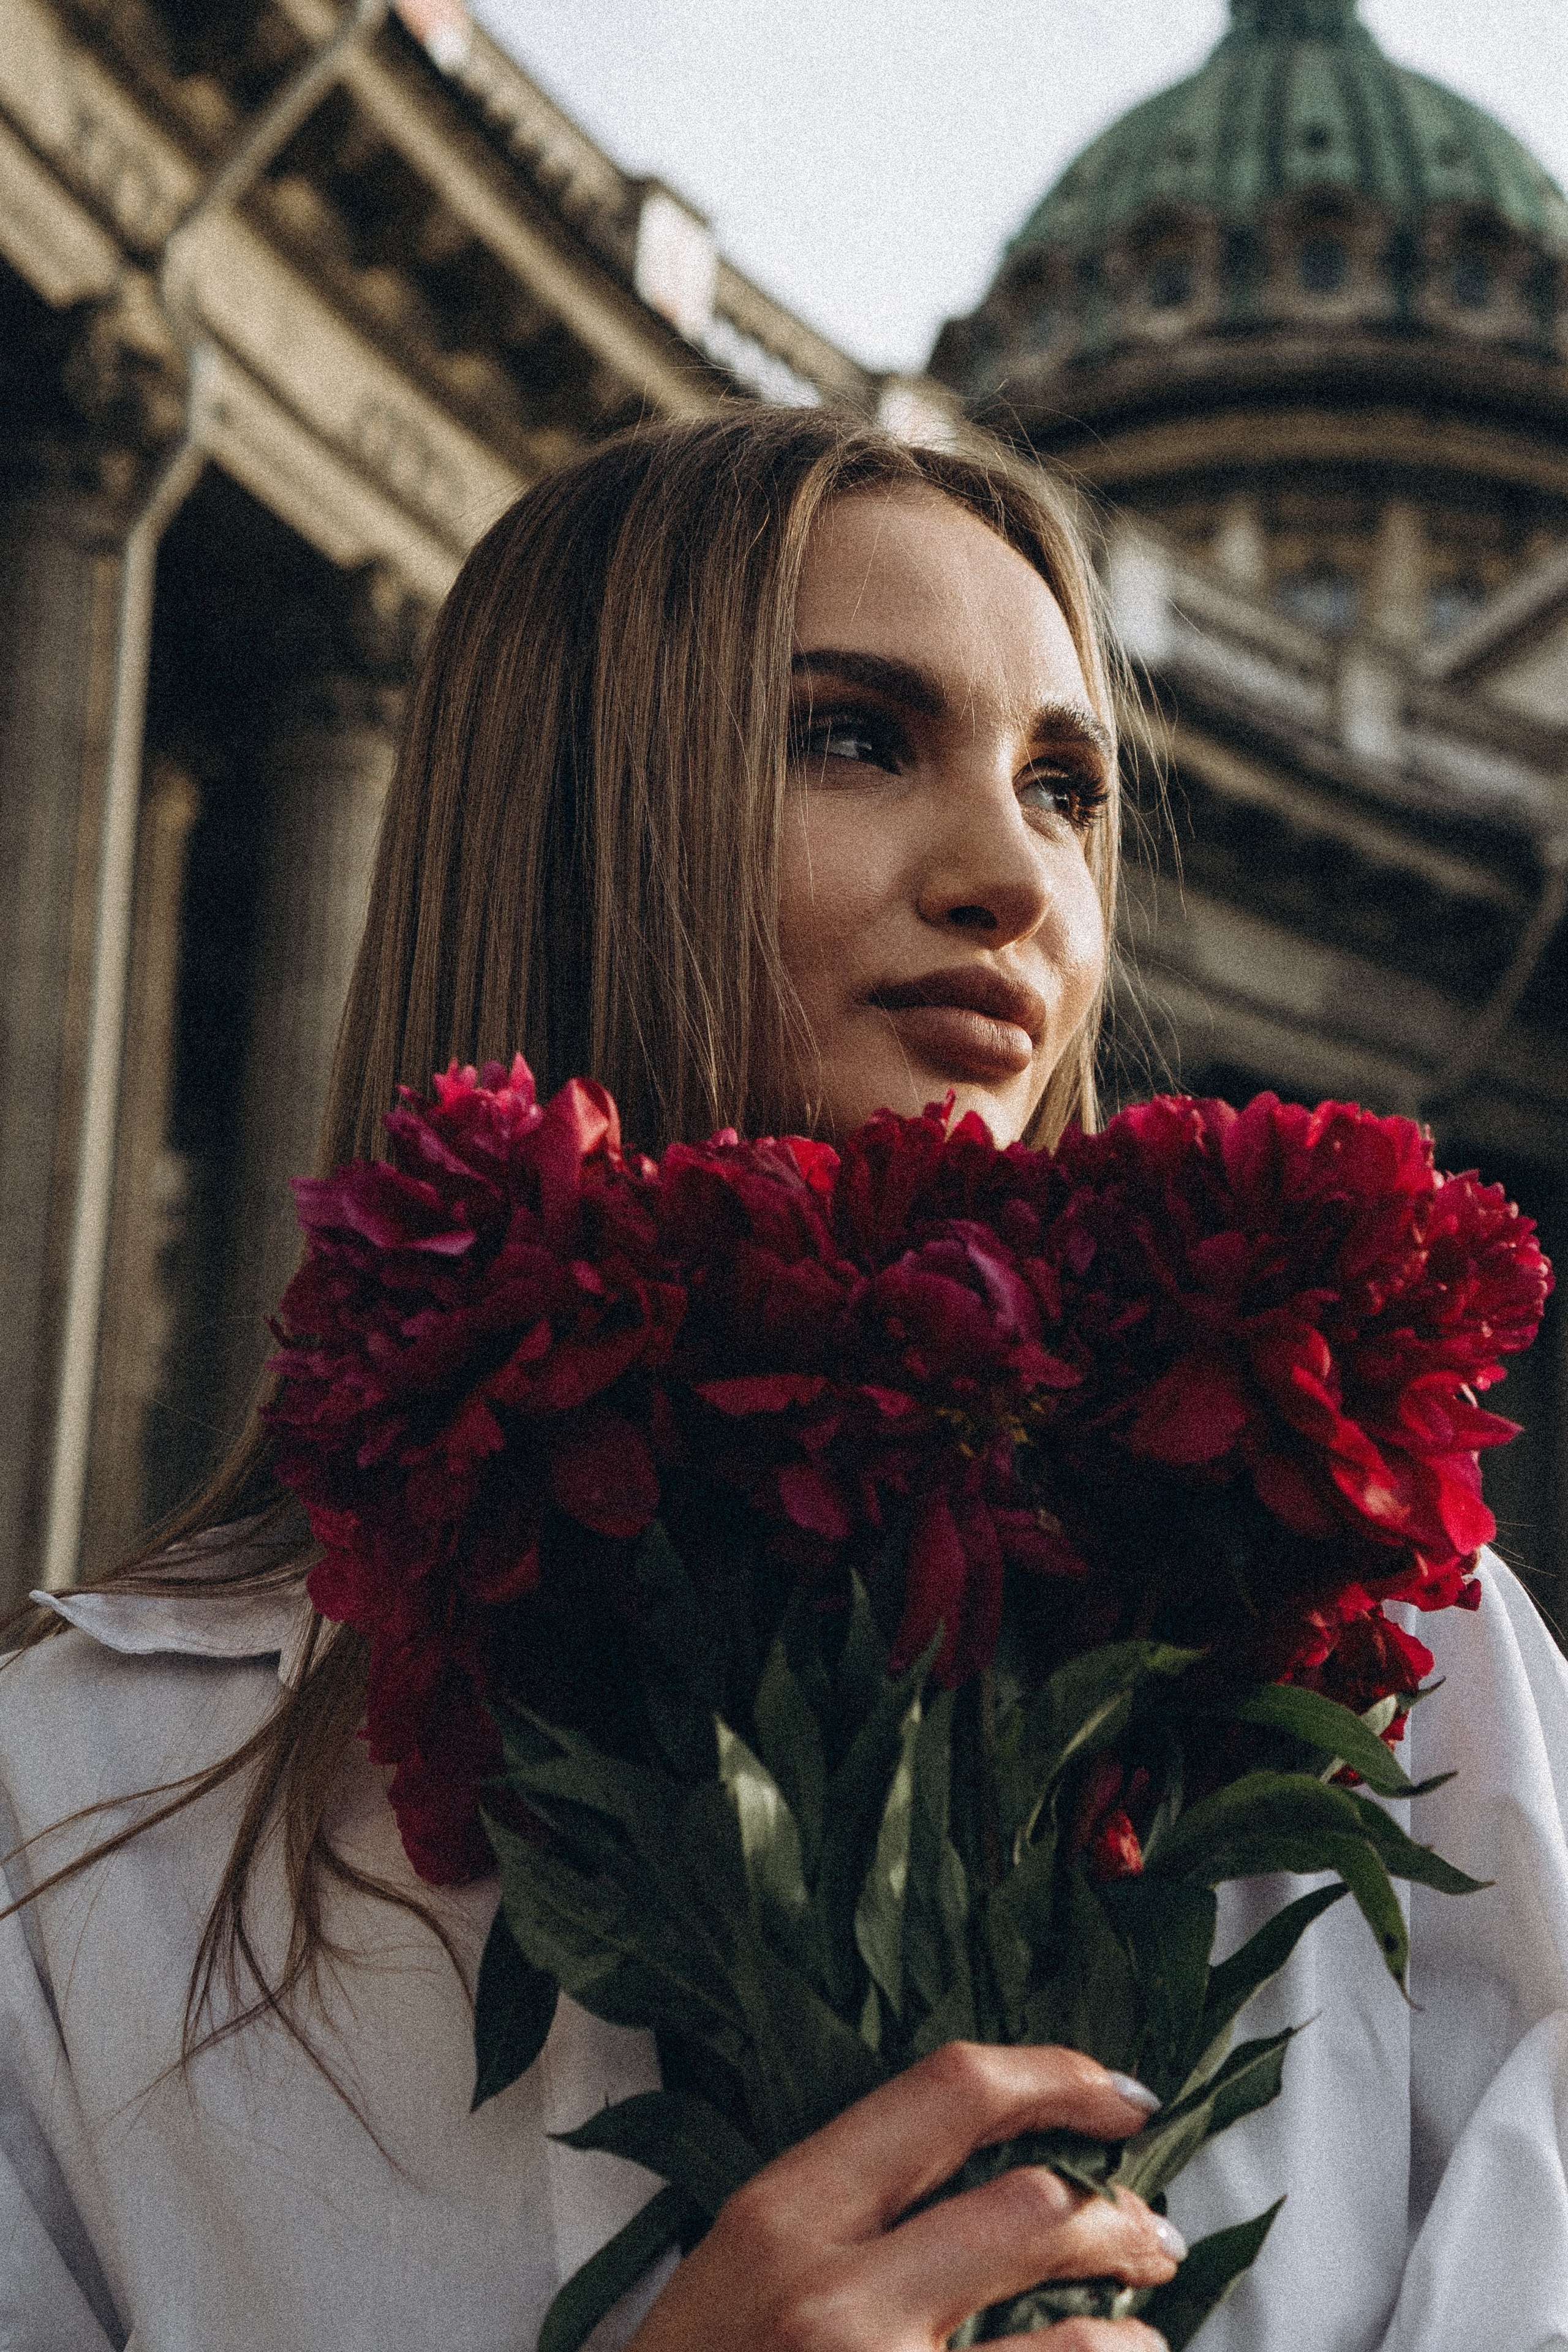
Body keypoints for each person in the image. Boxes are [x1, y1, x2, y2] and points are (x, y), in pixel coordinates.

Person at [1, 408, 1564, 2352]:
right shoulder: (69, 1810)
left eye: (1067, 785)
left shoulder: (1415, 1682)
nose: (1015, 874)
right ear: (570, 821)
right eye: (853, 734)